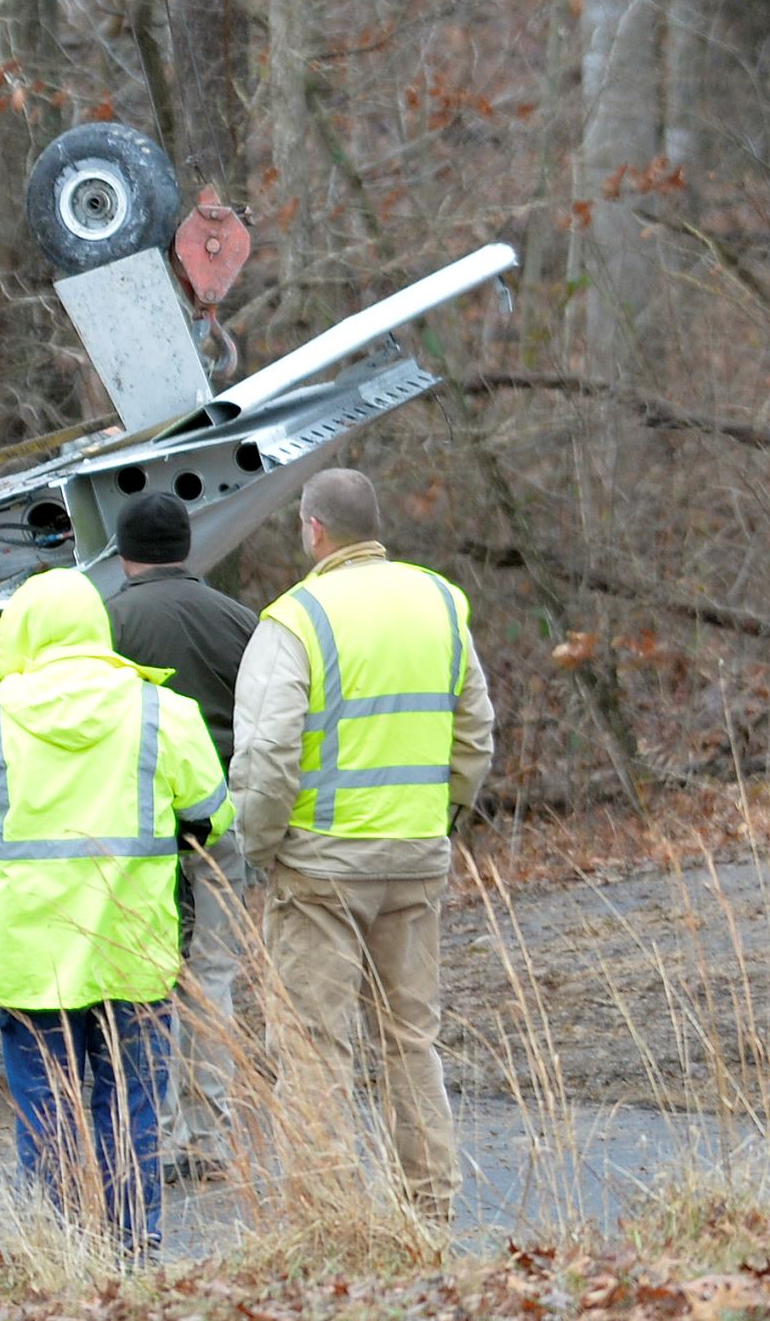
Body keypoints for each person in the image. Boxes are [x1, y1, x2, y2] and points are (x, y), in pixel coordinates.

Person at [0, 568, 234, 1259]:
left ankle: (56, 1248)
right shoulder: (161, 709)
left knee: (46, 1098)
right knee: (131, 1100)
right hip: (132, 943)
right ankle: (131, 1247)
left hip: (29, 952)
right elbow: (212, 815)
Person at [229, 468, 495, 1225]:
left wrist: (260, 847)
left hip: (319, 870)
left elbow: (268, 755)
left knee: (315, 1046)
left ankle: (326, 1218)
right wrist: (442, 815)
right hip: (415, 857)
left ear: (312, 529)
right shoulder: (440, 603)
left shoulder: (295, 619)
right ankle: (430, 1209)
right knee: (411, 1039)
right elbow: (475, 733)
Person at [102, 492, 260, 1187]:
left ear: (122, 552)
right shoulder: (240, 620)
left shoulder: (108, 624)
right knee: (213, 975)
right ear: (187, 547)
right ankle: (210, 1138)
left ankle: (156, 1137)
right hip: (223, 817)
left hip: (138, 826)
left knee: (145, 977)